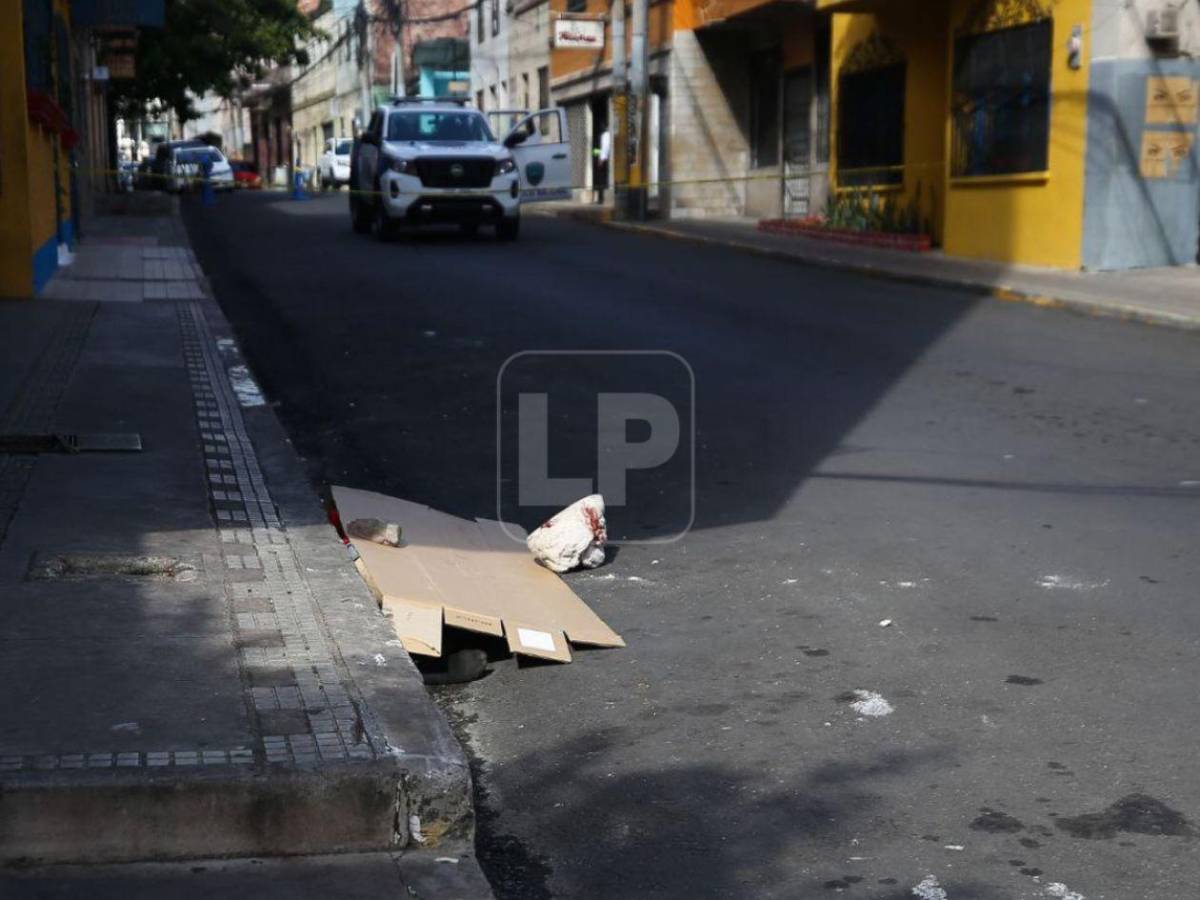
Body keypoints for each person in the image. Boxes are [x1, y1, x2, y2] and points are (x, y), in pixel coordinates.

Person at [594, 127, 611, 204]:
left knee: (601, 179)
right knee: (601, 179)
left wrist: (600, 160)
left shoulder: (605, 135)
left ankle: (601, 198)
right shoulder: (606, 134)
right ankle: (600, 198)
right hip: (603, 158)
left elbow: (604, 148)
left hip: (603, 160)